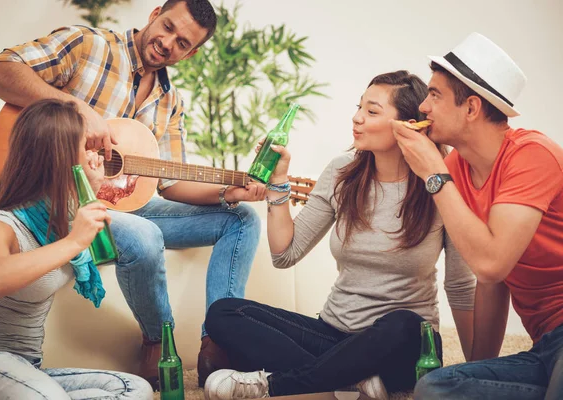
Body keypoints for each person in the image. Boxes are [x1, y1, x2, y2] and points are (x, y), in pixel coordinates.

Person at [0, 0, 265, 388]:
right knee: (145, 234)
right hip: (54, 200)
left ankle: (218, 340)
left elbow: (171, 183)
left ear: (193, 52)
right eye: (167, 27)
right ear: (153, 15)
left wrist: (231, 189)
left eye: (183, 43)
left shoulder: (170, 101)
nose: (168, 43)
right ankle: (157, 342)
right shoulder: (87, 45)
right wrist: (76, 109)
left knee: (240, 217)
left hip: (123, 206)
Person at [201, 70, 477, 400]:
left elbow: (460, 286)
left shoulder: (440, 184)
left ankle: (279, 386)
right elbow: (285, 253)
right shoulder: (341, 173)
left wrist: (477, 369)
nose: (357, 118)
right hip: (334, 334)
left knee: (404, 324)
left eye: (372, 111)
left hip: (399, 347)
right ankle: (350, 384)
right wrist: (278, 181)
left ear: (411, 124)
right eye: (359, 107)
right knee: (224, 313)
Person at [389, 33, 563, 400]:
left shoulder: (533, 155)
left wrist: (434, 175)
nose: (422, 107)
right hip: (545, 345)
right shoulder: (458, 168)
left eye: (434, 95)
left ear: (470, 108)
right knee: (436, 387)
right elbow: (493, 283)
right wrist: (476, 368)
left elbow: (490, 265)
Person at [0, 99, 153, 399]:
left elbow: (94, 227)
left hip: (28, 368)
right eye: (86, 146)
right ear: (60, 156)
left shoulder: (60, 215)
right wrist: (73, 241)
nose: (95, 154)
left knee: (134, 389)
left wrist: (90, 182)